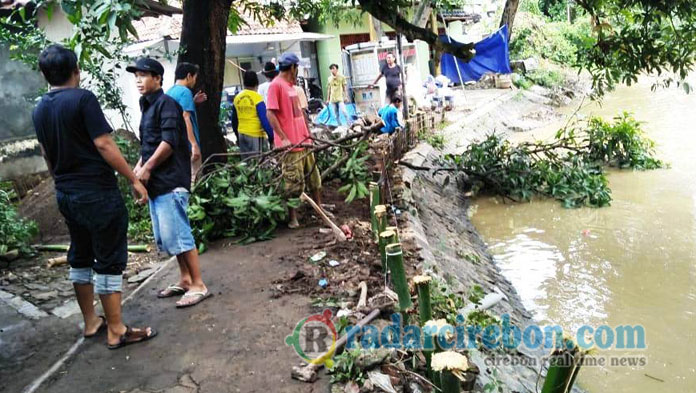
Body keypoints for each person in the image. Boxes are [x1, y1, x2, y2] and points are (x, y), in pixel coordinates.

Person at [32, 45, 156, 349]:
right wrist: (133, 178)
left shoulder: (39, 108)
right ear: (76, 71)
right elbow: (103, 144)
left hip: (67, 193)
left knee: (81, 254)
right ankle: (117, 329)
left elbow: (47, 153)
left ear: (45, 75)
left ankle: (91, 322)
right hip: (97, 193)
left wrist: (60, 180)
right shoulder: (83, 99)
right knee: (109, 257)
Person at [126, 58, 210, 308]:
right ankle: (185, 279)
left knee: (180, 235)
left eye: (144, 75)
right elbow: (150, 142)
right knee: (168, 237)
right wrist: (140, 166)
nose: (139, 80)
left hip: (171, 180)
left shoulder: (167, 104)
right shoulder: (147, 105)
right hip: (157, 183)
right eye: (136, 76)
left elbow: (170, 142)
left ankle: (198, 285)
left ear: (158, 78)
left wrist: (148, 167)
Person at [266, 52, 322, 229]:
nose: (297, 71)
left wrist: (309, 133)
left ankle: (319, 209)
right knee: (293, 183)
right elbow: (270, 113)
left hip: (303, 141)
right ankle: (293, 217)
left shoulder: (291, 86)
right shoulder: (276, 85)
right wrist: (283, 138)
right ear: (292, 67)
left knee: (314, 178)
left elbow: (300, 113)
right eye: (297, 67)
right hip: (290, 145)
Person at [166, 62, 207, 182]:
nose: (195, 81)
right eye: (194, 77)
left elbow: (177, 113)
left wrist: (193, 102)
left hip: (175, 143)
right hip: (187, 145)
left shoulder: (169, 92)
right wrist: (194, 144)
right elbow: (185, 117)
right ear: (189, 76)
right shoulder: (185, 92)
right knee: (195, 179)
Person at [232, 70, 274, 158]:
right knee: (259, 165)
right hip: (255, 135)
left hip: (242, 134)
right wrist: (271, 137)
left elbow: (234, 120)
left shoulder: (237, 98)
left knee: (246, 165)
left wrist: (237, 136)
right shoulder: (257, 98)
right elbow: (264, 120)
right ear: (257, 83)